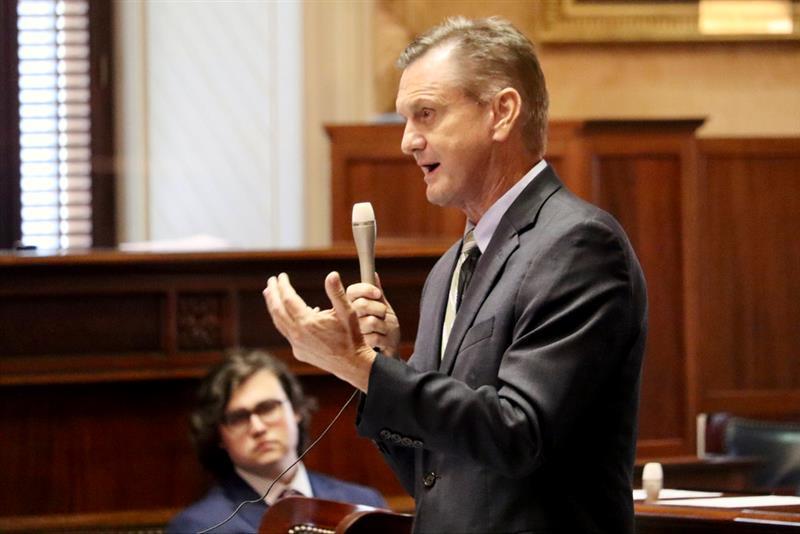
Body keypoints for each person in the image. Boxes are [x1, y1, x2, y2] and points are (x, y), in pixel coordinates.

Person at [264, 16, 647, 534]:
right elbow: (432, 472)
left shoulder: (577, 245)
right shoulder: (448, 269)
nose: (407, 142)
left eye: (426, 114)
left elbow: (518, 434)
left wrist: (364, 370)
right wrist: (381, 364)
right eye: (405, 119)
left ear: (501, 113)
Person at [167, 350, 386, 533]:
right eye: (238, 417)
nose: (258, 428)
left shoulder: (364, 504)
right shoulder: (198, 526)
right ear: (219, 435)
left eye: (268, 408)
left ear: (296, 409)